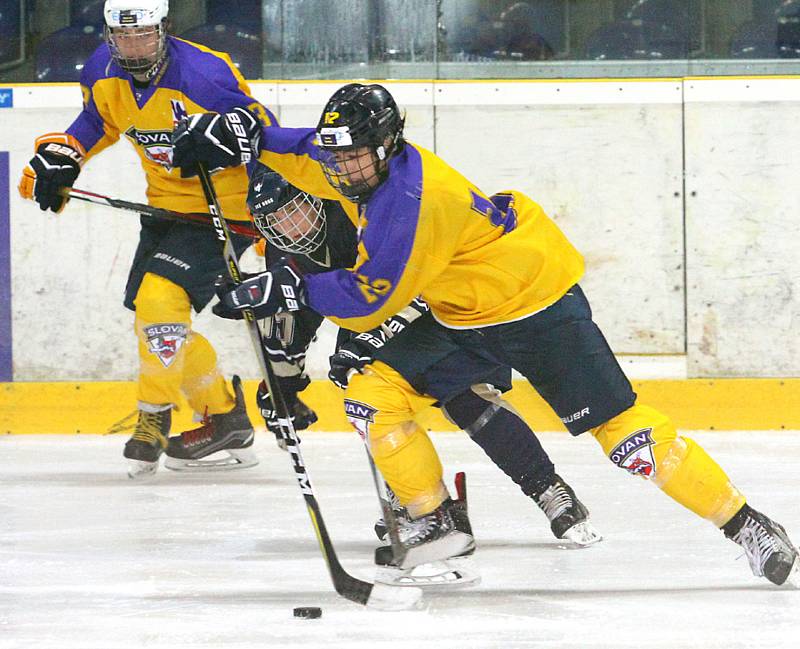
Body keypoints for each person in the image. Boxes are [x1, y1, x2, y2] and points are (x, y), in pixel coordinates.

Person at [170, 83, 799, 586]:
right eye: (340, 151)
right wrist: (241, 139)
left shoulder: (412, 201)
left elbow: (371, 296)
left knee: (626, 438)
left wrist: (289, 288)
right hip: (459, 311)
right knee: (369, 395)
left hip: (535, 307)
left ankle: (747, 524)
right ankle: (435, 521)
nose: (343, 165)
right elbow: (304, 146)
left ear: (388, 145)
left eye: (355, 154)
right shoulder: (361, 158)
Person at [205, 163, 601, 566]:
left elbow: (412, 279)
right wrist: (282, 388)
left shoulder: (356, 214)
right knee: (363, 390)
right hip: (368, 314)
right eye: (275, 222)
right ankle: (414, 500)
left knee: (466, 397)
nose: (289, 227)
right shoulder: (285, 251)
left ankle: (547, 488)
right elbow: (293, 322)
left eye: (294, 210)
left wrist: (369, 340)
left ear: (315, 198)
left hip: (439, 304)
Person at [18, 0, 277, 478]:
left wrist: (266, 211)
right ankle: (225, 416)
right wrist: (65, 155)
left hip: (226, 213)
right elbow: (98, 121)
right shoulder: (101, 69)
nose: (134, 47)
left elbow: (265, 134)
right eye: (123, 37)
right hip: (165, 210)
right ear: (110, 35)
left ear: (164, 30)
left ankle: (153, 415)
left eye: (144, 36)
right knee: (155, 321)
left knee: (159, 301)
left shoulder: (206, 74)